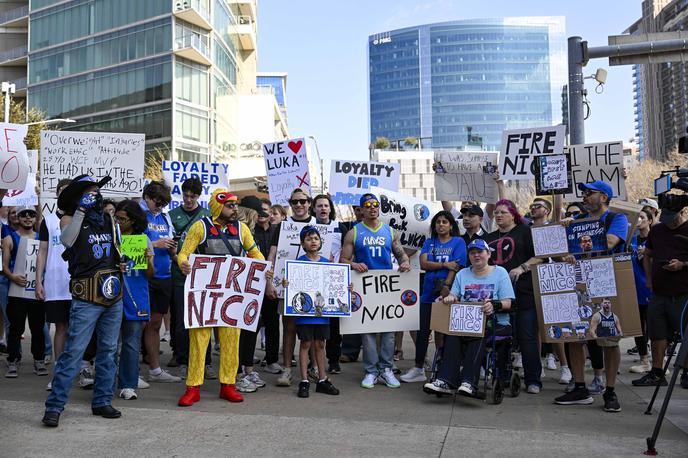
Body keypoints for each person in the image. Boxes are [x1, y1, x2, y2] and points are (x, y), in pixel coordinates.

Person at [43, 175, 124, 427]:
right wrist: (80, 210)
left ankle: (101, 401)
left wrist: (123, 262)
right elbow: (67, 240)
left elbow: (116, 247)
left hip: (113, 293)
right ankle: (55, 406)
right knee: (73, 353)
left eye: (97, 192)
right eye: (89, 192)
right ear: (78, 196)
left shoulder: (109, 219)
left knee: (109, 351)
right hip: (86, 296)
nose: (95, 195)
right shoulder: (69, 218)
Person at [177, 188, 266, 406]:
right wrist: (183, 264)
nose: (235, 208)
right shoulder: (200, 227)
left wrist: (265, 268)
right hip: (206, 296)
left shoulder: (242, 229)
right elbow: (183, 252)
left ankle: (228, 384)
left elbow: (255, 254)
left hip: (231, 295)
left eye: (235, 205)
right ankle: (193, 386)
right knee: (199, 341)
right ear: (218, 206)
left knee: (231, 341)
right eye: (230, 205)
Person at [555, 181, 628, 412]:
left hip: (604, 283)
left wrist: (576, 234)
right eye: (583, 193)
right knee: (575, 336)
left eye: (590, 193)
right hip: (578, 283)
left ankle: (610, 390)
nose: (584, 197)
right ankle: (580, 387)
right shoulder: (575, 222)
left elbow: (609, 243)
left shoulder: (616, 219)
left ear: (604, 197)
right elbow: (559, 252)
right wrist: (563, 234)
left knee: (608, 338)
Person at [424, 239, 515, 395]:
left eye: (480, 252)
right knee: (453, 334)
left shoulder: (500, 273)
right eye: (472, 253)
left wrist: (495, 305)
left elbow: (509, 302)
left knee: (477, 334)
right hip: (467, 323)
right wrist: (450, 298)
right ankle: (445, 380)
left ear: (488, 254)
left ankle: (469, 382)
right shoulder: (462, 273)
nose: (476, 255)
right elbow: (454, 295)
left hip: (495, 323)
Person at [339, 193, 411, 389]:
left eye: (375, 205)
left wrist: (404, 263)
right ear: (360, 209)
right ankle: (371, 371)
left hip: (386, 287)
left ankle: (386, 369)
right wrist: (354, 264)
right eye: (368, 205)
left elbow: (402, 255)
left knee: (388, 332)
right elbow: (342, 260)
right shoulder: (354, 232)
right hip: (365, 287)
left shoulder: (389, 231)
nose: (372, 208)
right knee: (367, 332)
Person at [484, 199, 543, 394]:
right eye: (496, 213)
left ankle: (533, 379)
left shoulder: (526, 231)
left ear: (513, 214)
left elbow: (541, 255)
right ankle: (502, 377)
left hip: (524, 293)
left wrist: (522, 267)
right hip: (498, 298)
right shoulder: (489, 237)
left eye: (503, 212)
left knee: (527, 338)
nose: (498, 215)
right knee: (501, 338)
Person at [401, 210, 466, 383]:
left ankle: (443, 366)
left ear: (451, 225)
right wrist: (445, 263)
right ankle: (419, 368)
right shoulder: (429, 242)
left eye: (445, 222)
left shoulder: (459, 242)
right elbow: (424, 263)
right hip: (428, 293)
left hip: (449, 294)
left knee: (444, 333)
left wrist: (446, 285)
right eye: (438, 222)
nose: (441, 225)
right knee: (422, 331)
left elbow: (457, 266)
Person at [632, 205, 688, 390]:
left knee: (685, 334)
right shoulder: (657, 230)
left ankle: (686, 372)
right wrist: (649, 279)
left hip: (683, 293)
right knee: (657, 333)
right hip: (658, 292)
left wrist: (682, 264)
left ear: (683, 213)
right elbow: (647, 254)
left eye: (673, 218)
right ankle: (656, 372)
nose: (669, 222)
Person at [266, 188, 317, 387]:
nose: (298, 205)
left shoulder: (318, 225)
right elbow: (272, 255)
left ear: (309, 203)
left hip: (313, 285)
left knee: (313, 330)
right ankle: (287, 369)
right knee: (289, 328)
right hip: (287, 284)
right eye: (294, 202)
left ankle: (313, 368)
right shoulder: (282, 226)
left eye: (302, 201)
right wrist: (270, 281)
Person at [283, 226, 340, 398]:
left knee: (320, 344)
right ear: (302, 243)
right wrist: (287, 285)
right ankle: (304, 380)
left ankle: (322, 379)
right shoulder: (298, 263)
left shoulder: (327, 264)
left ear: (320, 242)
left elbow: (334, 286)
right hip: (304, 313)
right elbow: (292, 286)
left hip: (322, 314)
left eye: (315, 238)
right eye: (308, 239)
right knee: (306, 344)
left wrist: (345, 287)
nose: (313, 241)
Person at [36, 179, 79, 390]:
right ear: (56, 194)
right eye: (61, 191)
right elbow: (42, 251)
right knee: (60, 328)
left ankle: (78, 370)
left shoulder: (81, 218)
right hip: (55, 283)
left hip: (78, 282)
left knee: (77, 330)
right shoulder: (49, 220)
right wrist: (38, 281)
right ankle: (58, 373)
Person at [168, 177, 211, 378]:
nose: (188, 199)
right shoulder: (172, 215)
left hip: (202, 275)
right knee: (180, 319)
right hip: (179, 275)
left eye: (192, 196)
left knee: (203, 319)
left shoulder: (207, 216)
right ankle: (182, 357)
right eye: (185, 195)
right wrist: (176, 257)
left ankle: (205, 360)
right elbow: (169, 243)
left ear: (198, 196)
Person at [141, 181, 181, 383]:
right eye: (157, 202)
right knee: (137, 325)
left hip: (165, 275)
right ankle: (129, 370)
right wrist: (155, 243)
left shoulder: (165, 216)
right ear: (147, 197)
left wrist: (173, 248)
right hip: (143, 276)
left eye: (164, 203)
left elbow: (171, 241)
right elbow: (126, 242)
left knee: (155, 324)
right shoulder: (138, 213)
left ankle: (155, 370)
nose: (160, 206)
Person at [115, 200, 155, 400]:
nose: (119, 222)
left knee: (131, 343)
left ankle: (128, 384)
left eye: (123, 219)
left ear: (134, 220)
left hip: (136, 297)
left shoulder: (143, 240)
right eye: (117, 218)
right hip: (112, 296)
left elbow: (149, 274)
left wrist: (148, 260)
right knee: (110, 342)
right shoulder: (111, 238)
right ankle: (106, 381)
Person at [3, 206, 45, 378]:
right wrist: (12, 277)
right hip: (17, 290)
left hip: (36, 290)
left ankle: (39, 359)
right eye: (24, 215)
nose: (28, 218)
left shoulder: (42, 239)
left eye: (31, 215)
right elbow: (4, 266)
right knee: (16, 328)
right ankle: (13, 359)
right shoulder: (9, 238)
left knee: (37, 327)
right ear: (18, 218)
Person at [235, 195, 271, 391]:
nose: (260, 217)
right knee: (240, 334)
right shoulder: (236, 231)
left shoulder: (252, 232)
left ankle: (248, 369)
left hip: (252, 289)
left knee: (251, 331)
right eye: (258, 213)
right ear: (249, 212)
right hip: (237, 290)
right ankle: (238, 373)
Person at [311, 193, 348, 374]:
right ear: (314, 209)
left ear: (330, 209)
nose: (323, 209)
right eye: (319, 206)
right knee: (314, 320)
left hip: (334, 279)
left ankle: (333, 360)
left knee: (334, 323)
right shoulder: (309, 227)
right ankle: (314, 362)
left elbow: (348, 251)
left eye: (326, 205)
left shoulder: (339, 227)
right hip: (314, 279)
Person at [253, 198, 281, 375]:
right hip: (252, 283)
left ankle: (272, 360)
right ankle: (246, 360)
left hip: (271, 282)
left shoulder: (277, 232)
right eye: (260, 210)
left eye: (266, 210)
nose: (263, 214)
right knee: (251, 323)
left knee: (272, 322)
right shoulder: (248, 231)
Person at [628, 209, 653, 372]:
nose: (640, 220)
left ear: (650, 221)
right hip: (635, 288)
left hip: (651, 288)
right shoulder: (632, 240)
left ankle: (660, 359)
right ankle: (644, 360)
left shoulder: (655, 239)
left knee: (654, 325)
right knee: (638, 326)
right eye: (638, 217)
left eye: (643, 217)